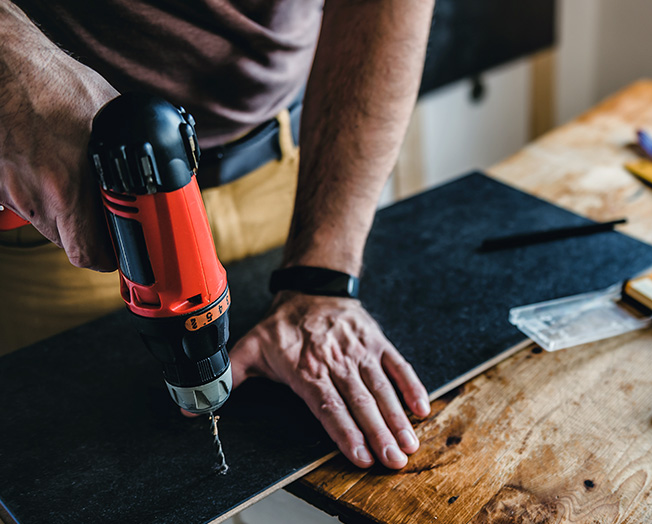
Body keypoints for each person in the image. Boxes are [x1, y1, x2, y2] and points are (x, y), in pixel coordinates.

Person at [0, 0, 435, 471]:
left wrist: (321, 278)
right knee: (52, 469)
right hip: (57, 201)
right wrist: (12, 60)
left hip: (290, 170)